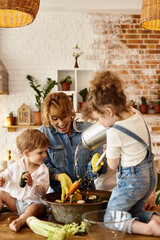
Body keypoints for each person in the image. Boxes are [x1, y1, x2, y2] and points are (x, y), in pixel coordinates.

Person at [82, 70, 160, 236]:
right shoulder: (136, 114)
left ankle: (149, 229)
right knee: (130, 213)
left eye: (99, 119)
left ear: (109, 111)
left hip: (131, 183)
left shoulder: (113, 132)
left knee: (110, 217)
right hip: (148, 179)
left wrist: (108, 151)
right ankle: (154, 220)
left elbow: (113, 164)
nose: (100, 124)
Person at [39, 92, 106, 201]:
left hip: (87, 194)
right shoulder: (45, 133)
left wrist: (96, 164)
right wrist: (59, 176)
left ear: (71, 113)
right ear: (48, 118)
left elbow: (101, 164)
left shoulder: (87, 129)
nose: (61, 123)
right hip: (59, 195)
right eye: (54, 119)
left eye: (64, 116)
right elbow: (41, 166)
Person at [0, 129, 50, 232]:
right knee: (1, 193)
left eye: (46, 151)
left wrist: (33, 183)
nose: (44, 155)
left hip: (35, 204)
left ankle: (21, 220)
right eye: (40, 152)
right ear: (27, 153)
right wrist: (2, 179)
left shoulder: (43, 169)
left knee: (35, 208)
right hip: (18, 203)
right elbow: (5, 174)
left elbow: (44, 189)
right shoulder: (16, 165)